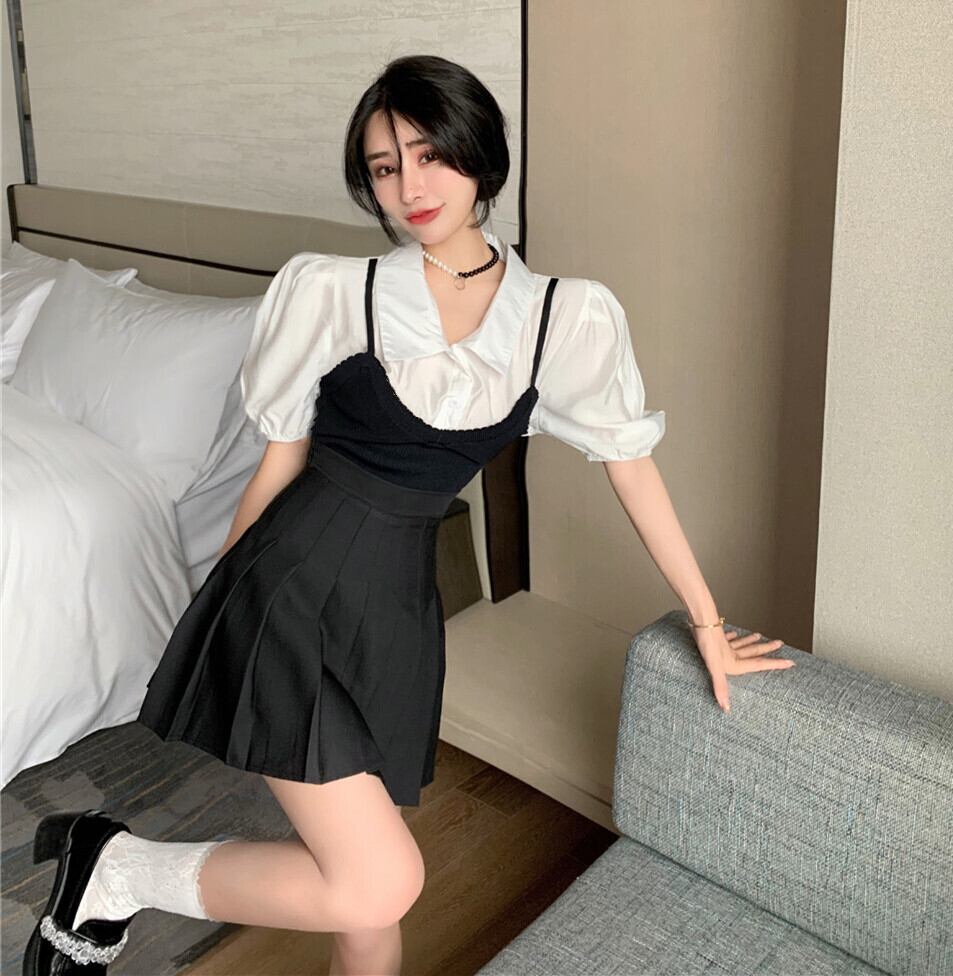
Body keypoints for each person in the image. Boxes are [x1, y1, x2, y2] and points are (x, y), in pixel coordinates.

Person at [23, 54, 794, 976]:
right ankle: (114, 870)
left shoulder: (564, 318)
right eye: (385, 167)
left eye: (429, 155)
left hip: (392, 614)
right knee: (378, 881)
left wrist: (706, 621)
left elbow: (632, 469)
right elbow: (281, 458)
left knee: (358, 889)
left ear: (479, 155)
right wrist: (219, 604)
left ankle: (109, 865)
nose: (409, 188)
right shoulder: (333, 292)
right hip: (290, 589)